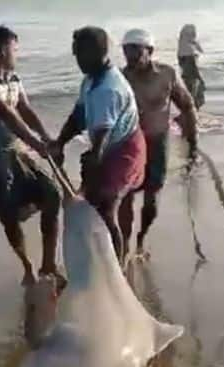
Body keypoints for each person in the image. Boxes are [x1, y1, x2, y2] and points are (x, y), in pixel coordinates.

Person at [0, 26, 63, 286]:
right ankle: (27, 266)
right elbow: (5, 113)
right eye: (13, 50)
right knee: (9, 217)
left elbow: (24, 109)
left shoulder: (13, 79)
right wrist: (36, 144)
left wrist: (46, 137)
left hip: (16, 152)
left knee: (52, 195)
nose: (16, 54)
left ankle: (48, 265)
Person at [52, 26, 147, 263]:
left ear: (96, 52)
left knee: (106, 206)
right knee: (93, 200)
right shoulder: (91, 80)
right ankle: (100, 255)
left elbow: (102, 137)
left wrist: (93, 164)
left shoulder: (108, 89)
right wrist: (60, 142)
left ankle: (117, 266)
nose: (77, 61)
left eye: (79, 54)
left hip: (125, 149)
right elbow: (79, 115)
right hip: (109, 144)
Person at [121, 29, 199, 259]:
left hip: (157, 142)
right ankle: (124, 245)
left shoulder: (166, 74)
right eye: (126, 50)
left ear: (150, 51)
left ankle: (141, 239)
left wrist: (192, 142)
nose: (130, 55)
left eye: (136, 49)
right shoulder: (119, 79)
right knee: (125, 195)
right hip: (129, 144)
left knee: (152, 199)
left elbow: (187, 106)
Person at [177, 24, 206, 110]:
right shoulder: (189, 46)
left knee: (189, 83)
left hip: (184, 62)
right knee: (196, 83)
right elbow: (199, 48)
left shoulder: (182, 44)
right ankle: (193, 107)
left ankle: (189, 107)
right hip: (189, 60)